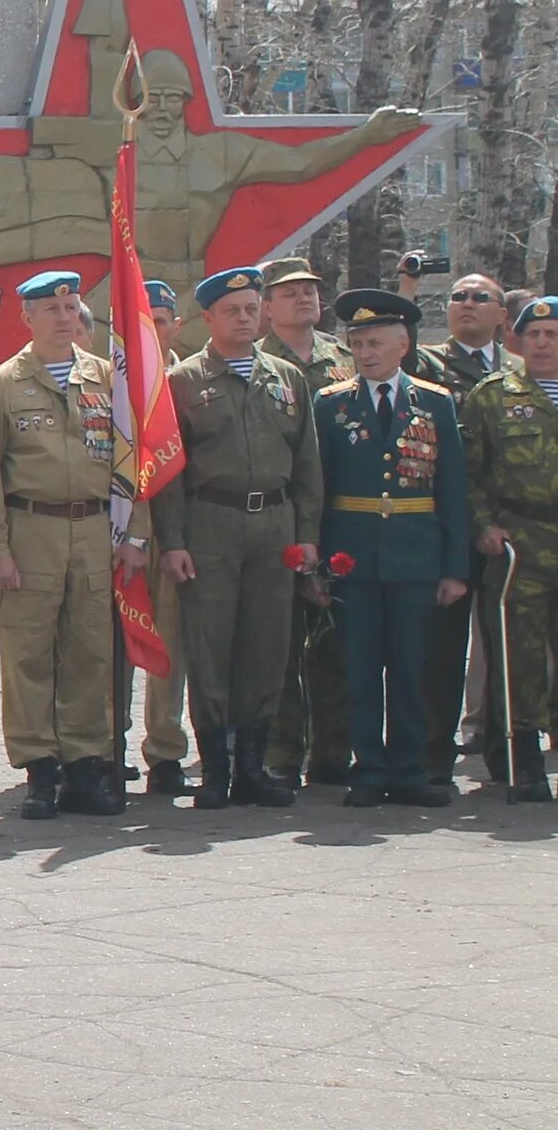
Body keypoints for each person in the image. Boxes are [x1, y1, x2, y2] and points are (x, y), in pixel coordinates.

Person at [152, 266, 319, 808]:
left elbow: (308, 466)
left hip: (274, 524)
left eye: (251, 309)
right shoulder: (184, 382)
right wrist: (173, 540)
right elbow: (170, 472)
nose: (244, 318)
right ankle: (216, 770)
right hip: (212, 524)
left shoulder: (288, 378)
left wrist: (308, 534)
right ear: (208, 319)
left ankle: (253, 765)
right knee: (211, 646)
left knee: (267, 646)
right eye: (232, 311)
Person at [0, 271, 127, 818]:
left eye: (71, 305)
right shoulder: (2, 383)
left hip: (91, 528)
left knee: (90, 652)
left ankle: (86, 766)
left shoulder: (107, 379)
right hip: (30, 528)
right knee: (29, 654)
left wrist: (131, 535)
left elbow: (128, 464)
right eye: (52, 308)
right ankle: (39, 768)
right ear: (29, 318)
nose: (65, 317)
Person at [314, 288, 471, 806]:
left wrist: (454, 568)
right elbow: (319, 487)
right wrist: (317, 563)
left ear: (403, 344)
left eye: (375, 342)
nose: (365, 353)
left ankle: (408, 769)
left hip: (413, 558)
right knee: (360, 669)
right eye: (357, 344)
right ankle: (368, 768)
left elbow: (451, 491)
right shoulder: (332, 404)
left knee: (410, 667)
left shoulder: (436, 402)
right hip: (353, 559)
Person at [411, 271, 521, 773]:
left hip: (514, 527)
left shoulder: (523, 370)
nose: (467, 304)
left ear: (503, 314)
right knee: (443, 647)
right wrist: (409, 289)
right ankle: (435, 752)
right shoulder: (428, 364)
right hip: (448, 523)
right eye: (458, 297)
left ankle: (507, 750)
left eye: (481, 298)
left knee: (507, 643)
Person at [457, 293, 558, 801]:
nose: (542, 343)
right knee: (517, 655)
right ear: (517, 340)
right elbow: (469, 473)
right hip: (521, 541)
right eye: (533, 334)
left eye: (553, 334)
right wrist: (484, 525)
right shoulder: (493, 394)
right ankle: (523, 759)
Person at [259, 255, 353, 786]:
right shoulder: (256, 360)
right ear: (267, 306)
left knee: (332, 641)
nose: (304, 299)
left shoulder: (343, 358)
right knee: (278, 643)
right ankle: (280, 752)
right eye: (290, 292)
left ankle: (334, 750)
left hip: (339, 518)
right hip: (276, 515)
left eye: (311, 290)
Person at [132, 276, 192, 784]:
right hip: (118, 533)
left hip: (173, 531)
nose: (153, 329)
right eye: (142, 319)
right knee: (114, 640)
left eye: (163, 321)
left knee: (170, 641)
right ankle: (105, 745)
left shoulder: (192, 382)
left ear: (178, 326)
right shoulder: (106, 382)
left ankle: (166, 749)